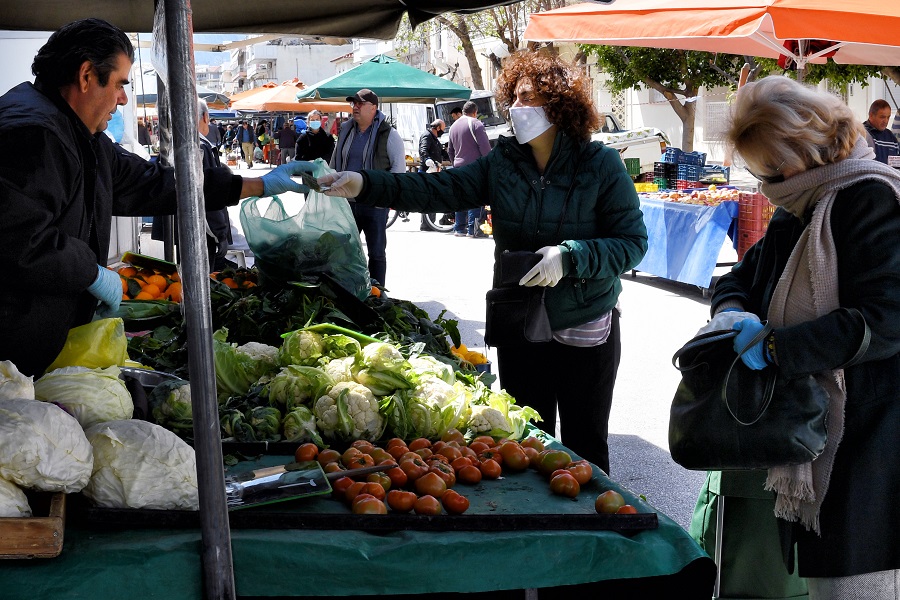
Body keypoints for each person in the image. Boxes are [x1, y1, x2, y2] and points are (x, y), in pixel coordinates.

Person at [319, 52, 648, 474]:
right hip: (520, 321)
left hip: (584, 326)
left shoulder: (599, 164)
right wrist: (363, 183)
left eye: (530, 98)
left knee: (585, 448)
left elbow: (633, 243)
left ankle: (594, 535)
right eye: (515, 97)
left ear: (559, 103)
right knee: (527, 442)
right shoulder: (503, 162)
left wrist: (571, 257)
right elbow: (435, 190)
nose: (517, 108)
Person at [0, 18, 317, 377]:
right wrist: (90, 272)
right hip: (10, 353)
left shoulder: (77, 132)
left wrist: (255, 185)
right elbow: (20, 238)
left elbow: (152, 183)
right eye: (120, 84)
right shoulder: (30, 133)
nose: (122, 99)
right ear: (87, 75)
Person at [702, 76, 900, 599]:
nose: (765, 181)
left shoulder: (869, 199)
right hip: (808, 425)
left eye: (769, 165)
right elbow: (740, 277)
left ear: (805, 148)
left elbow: (888, 318)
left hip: (865, 433)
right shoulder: (803, 201)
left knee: (850, 582)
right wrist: (732, 314)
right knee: (822, 576)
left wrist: (775, 348)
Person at [329, 88, 405, 286]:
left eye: (360, 104)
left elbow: (398, 170)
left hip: (375, 203)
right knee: (345, 251)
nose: (355, 107)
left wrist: (390, 198)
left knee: (376, 253)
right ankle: (351, 289)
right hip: (347, 203)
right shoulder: (346, 131)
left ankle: (377, 292)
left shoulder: (389, 135)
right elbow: (334, 163)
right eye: (353, 103)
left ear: (373, 108)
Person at [197, 99, 233, 271]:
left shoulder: (176, 144)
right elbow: (210, 195)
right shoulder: (201, 148)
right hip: (203, 233)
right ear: (205, 117)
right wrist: (220, 234)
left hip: (184, 232)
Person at [448, 100, 491, 237]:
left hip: (458, 166)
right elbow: (484, 147)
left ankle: (459, 228)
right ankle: (473, 229)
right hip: (474, 166)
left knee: (461, 196)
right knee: (474, 196)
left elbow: (450, 150)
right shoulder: (476, 124)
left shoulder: (453, 126)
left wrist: (455, 162)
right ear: (475, 112)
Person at [862, 99, 899, 165]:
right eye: (882, 117)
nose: (886, 121)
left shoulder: (891, 137)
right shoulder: (861, 133)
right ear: (871, 115)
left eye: (888, 117)